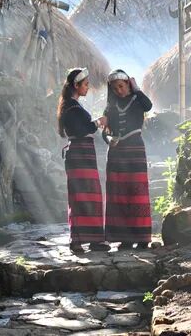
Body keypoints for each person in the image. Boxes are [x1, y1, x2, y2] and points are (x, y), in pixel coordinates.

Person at [57, 67, 110, 254]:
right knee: (81, 196)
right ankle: (77, 240)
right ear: (76, 85)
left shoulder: (72, 105)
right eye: (85, 84)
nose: (88, 87)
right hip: (79, 155)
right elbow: (82, 129)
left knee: (90, 195)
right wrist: (98, 122)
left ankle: (93, 240)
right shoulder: (71, 107)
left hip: (83, 155)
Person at [103, 69, 153, 250]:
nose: (119, 91)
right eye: (115, 88)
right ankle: (124, 238)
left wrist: (137, 89)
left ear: (128, 84)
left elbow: (148, 106)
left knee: (137, 193)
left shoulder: (137, 100)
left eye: (122, 86)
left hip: (135, 150)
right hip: (116, 153)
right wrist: (109, 139)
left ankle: (142, 238)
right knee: (119, 194)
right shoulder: (110, 107)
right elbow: (104, 132)